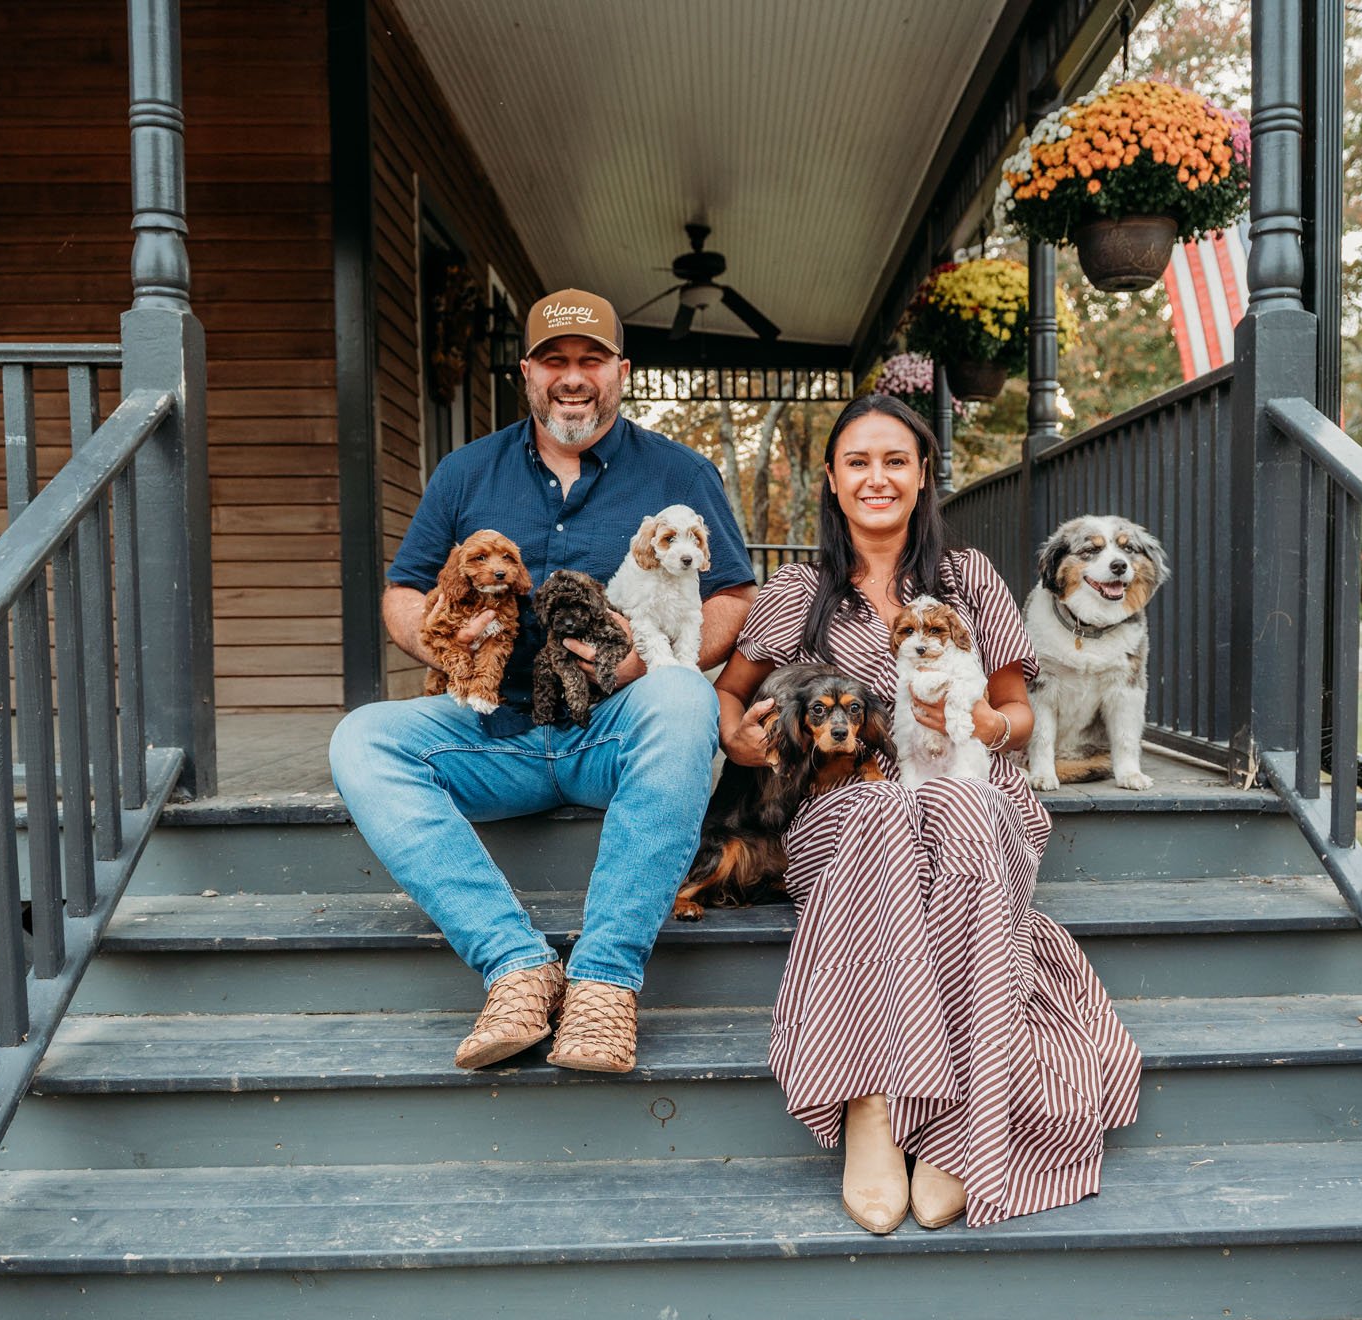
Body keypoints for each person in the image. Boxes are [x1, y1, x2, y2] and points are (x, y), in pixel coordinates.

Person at [711, 393, 1141, 1232]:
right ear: (832, 481)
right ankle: (871, 1101)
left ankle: (960, 1121)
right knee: (877, 810)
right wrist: (743, 741)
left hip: (972, 788)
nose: (877, 476)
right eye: (858, 461)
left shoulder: (969, 576)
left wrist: (990, 724)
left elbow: (1018, 712)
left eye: (895, 460)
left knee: (970, 810)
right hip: (843, 805)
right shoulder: (797, 591)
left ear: (922, 476)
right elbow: (729, 699)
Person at [330, 288, 755, 1075]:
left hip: (615, 733)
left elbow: (733, 593)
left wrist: (641, 662)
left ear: (620, 370)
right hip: (492, 731)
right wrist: (449, 647)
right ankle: (517, 964)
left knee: (684, 695)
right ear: (526, 373)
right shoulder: (466, 472)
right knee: (361, 737)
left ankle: (603, 980)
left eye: (590, 359)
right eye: (555, 361)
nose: (573, 377)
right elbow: (403, 588)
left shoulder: (678, 470)